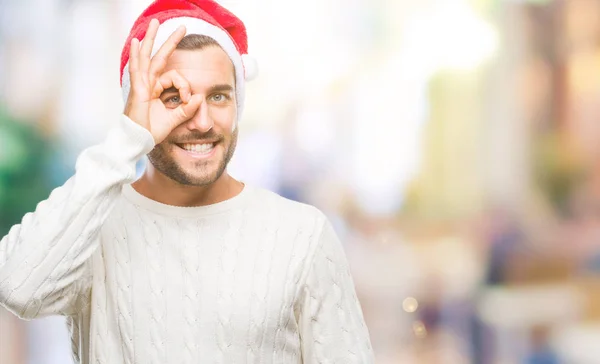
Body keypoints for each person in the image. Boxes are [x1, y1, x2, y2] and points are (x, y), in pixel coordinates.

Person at [0, 0, 374, 363]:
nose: (202, 121)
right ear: (137, 106)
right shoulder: (91, 227)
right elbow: (18, 288)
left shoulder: (302, 235)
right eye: (173, 97)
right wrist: (128, 139)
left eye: (219, 96)